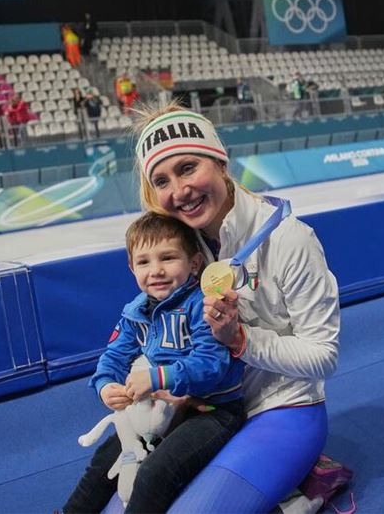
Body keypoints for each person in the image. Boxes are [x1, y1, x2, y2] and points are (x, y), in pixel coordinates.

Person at [129, 101, 340, 513]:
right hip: (211, 409)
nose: (180, 191)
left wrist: (242, 339)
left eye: (188, 168)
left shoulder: (289, 240)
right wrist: (165, 380)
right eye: (162, 180)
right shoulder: (177, 252)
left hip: (284, 408)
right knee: (124, 500)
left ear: (220, 162)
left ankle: (304, 484)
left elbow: (325, 356)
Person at [63, 213, 246, 514]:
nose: (156, 270)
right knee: (103, 460)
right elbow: (113, 357)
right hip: (160, 413)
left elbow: (211, 364)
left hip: (212, 410)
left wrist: (158, 377)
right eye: (144, 262)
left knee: (154, 472)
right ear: (132, 267)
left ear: (195, 263)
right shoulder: (135, 312)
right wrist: (105, 385)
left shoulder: (203, 304)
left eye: (168, 258)